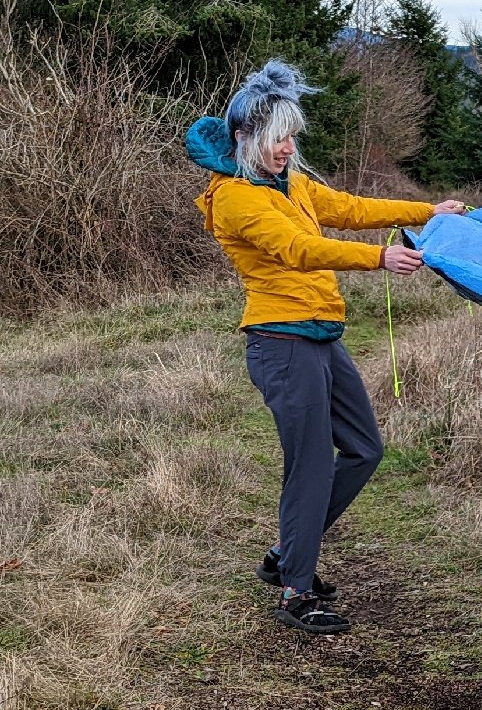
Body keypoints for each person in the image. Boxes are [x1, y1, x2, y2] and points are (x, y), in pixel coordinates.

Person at [185, 59, 466, 634]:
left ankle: (287, 552)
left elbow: (351, 209)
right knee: (311, 465)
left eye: (290, 135)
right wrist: (378, 258)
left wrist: (427, 211)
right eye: (275, 138)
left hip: (321, 336)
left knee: (364, 449)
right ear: (244, 139)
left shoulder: (290, 183)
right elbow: (297, 249)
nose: (287, 147)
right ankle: (294, 590)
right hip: (281, 342)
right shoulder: (237, 198)